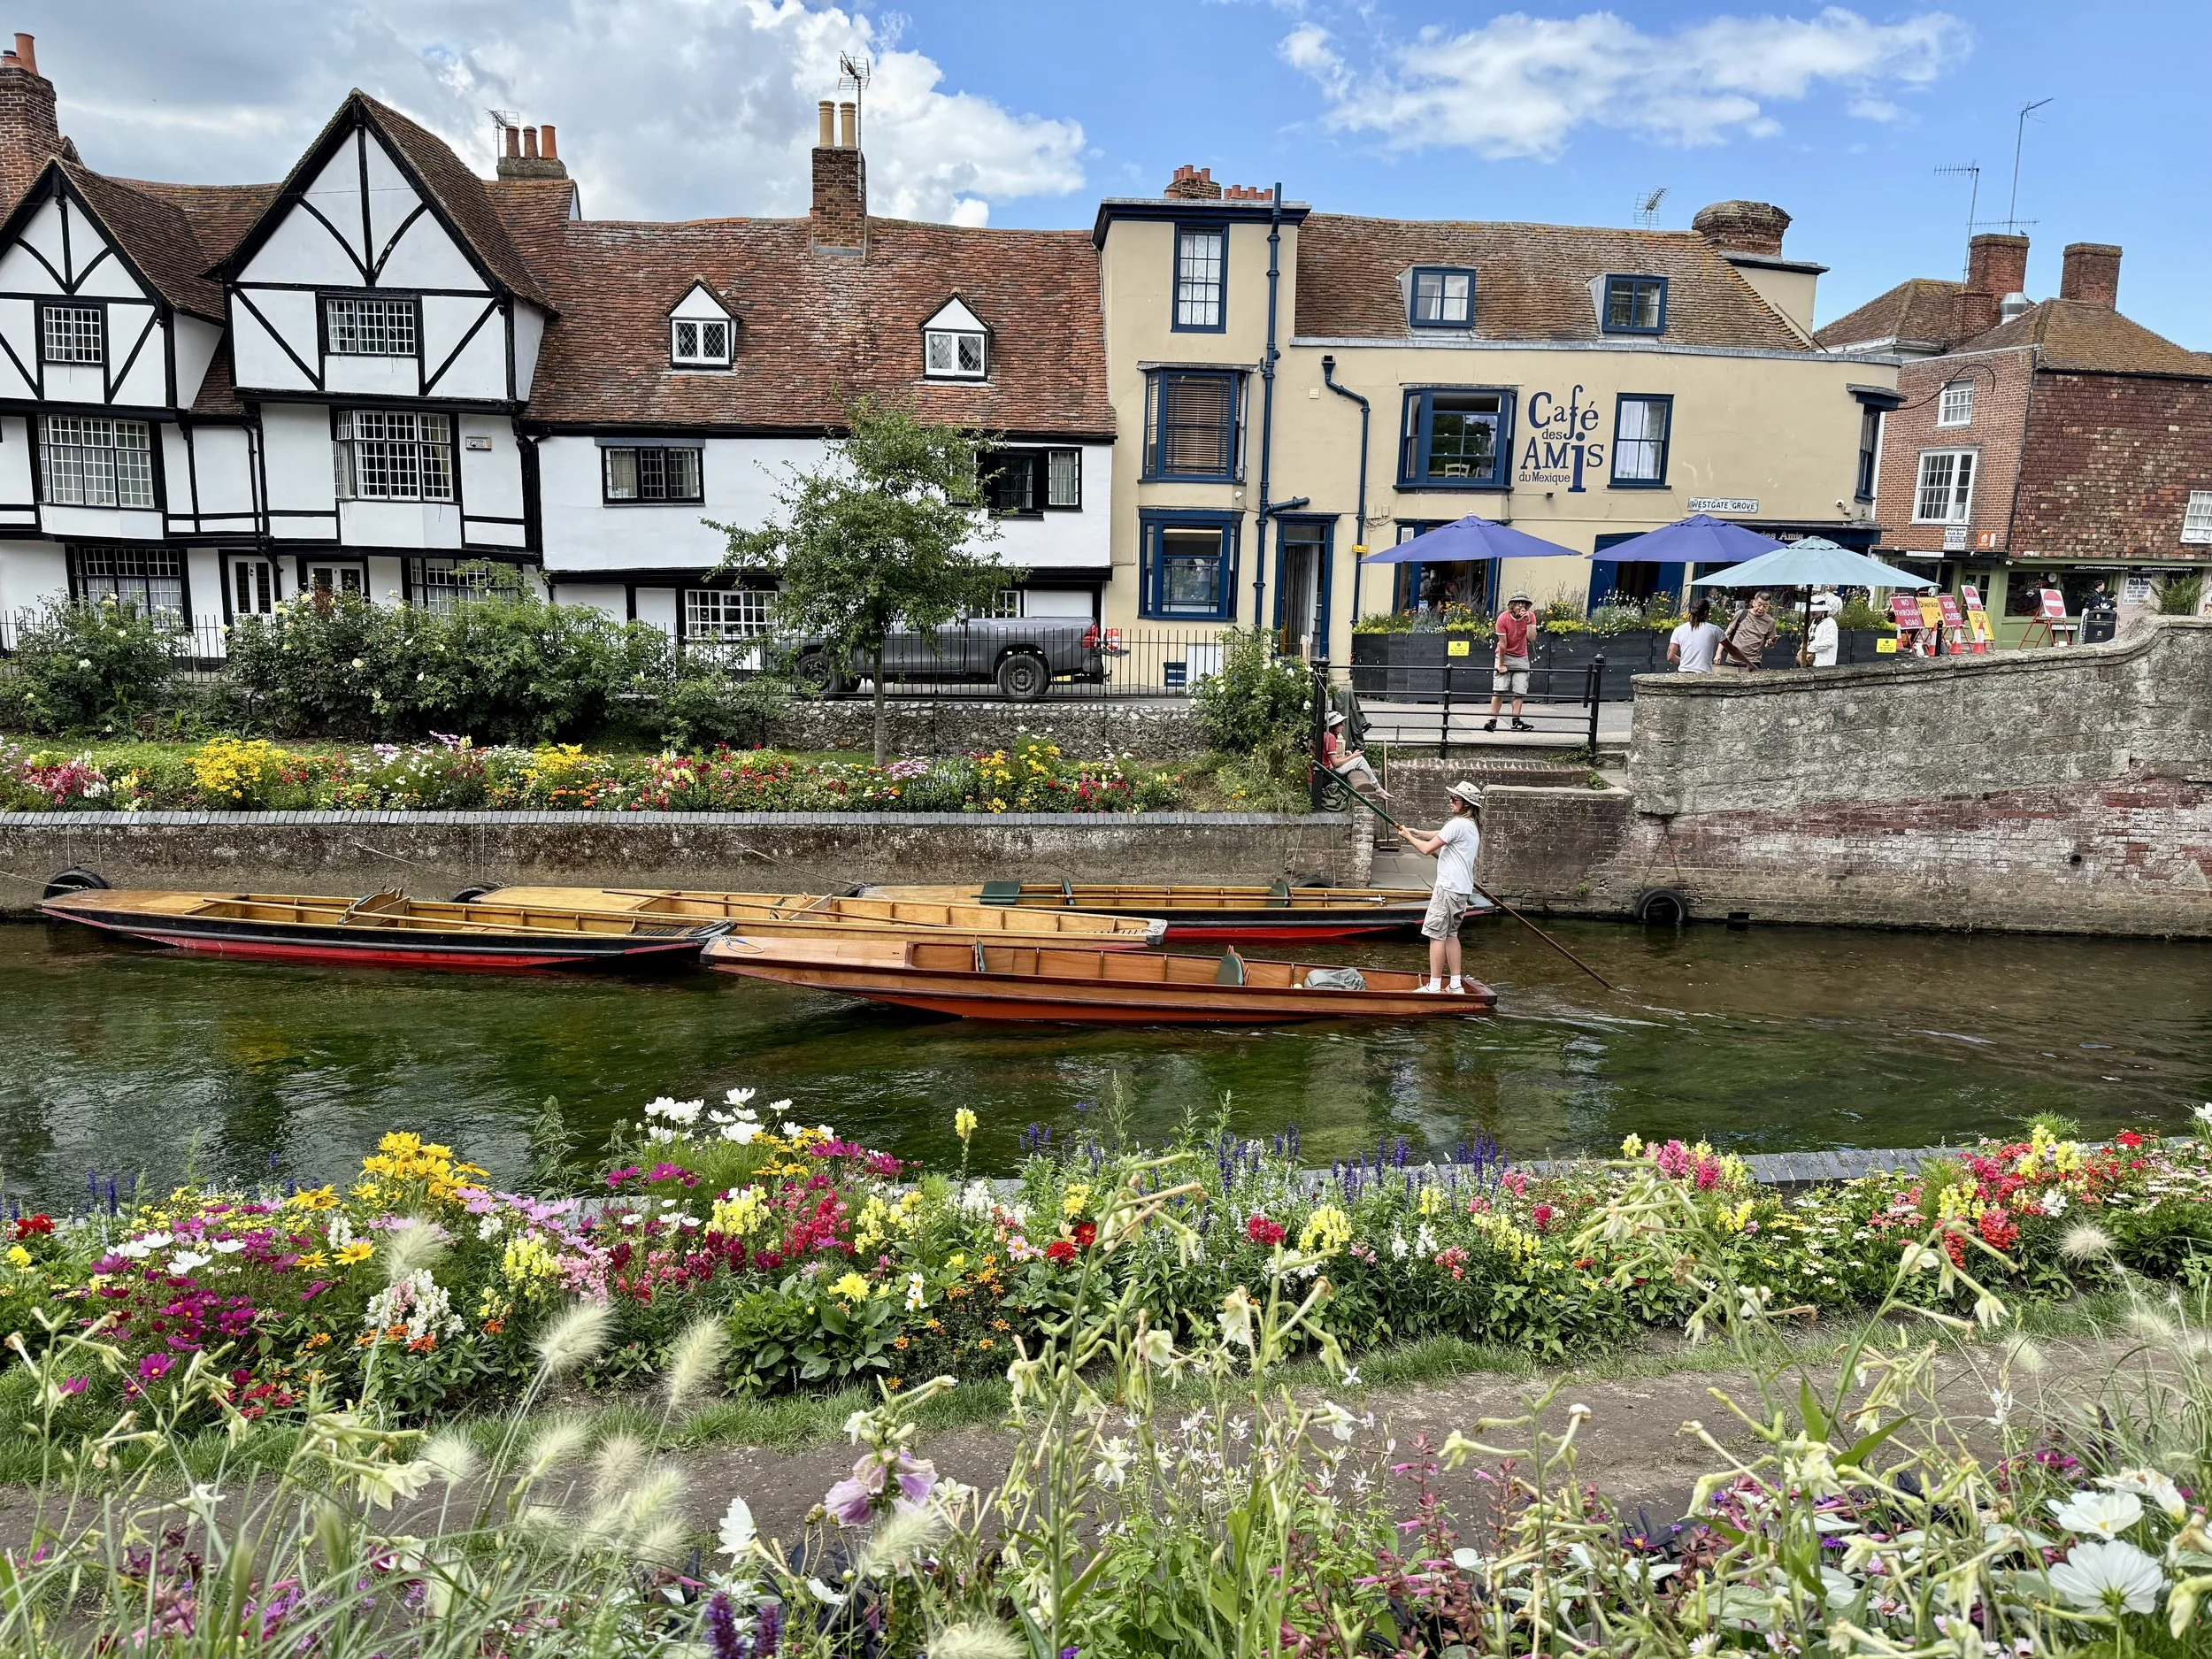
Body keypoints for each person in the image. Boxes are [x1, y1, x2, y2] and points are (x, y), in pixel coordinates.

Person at [1396, 780, 1482, 995]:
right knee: (1451, 934)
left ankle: (1434, 986)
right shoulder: (1471, 826)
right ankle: (1455, 985)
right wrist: (1417, 832)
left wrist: (1407, 837)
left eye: (1455, 799)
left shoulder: (1457, 824)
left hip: (1447, 888)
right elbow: (1439, 835)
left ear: (1467, 804)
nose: (1451, 801)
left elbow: (1426, 850)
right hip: (1462, 890)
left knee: (1436, 935)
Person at [1484, 592, 1536, 732]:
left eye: (1524, 603)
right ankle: (1492, 720)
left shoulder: (1530, 616)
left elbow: (1532, 638)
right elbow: (1502, 644)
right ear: (1512, 605)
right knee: (1499, 689)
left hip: (1521, 656)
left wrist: (1528, 622)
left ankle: (1516, 721)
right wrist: (1501, 664)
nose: (1521, 606)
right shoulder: (1503, 618)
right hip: (1504, 654)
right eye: (1518, 603)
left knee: (1519, 690)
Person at [1320, 710, 1390, 800]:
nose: (1343, 726)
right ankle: (1378, 788)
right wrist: (1354, 756)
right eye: (1340, 724)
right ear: (1333, 726)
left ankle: (1378, 788)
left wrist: (1347, 757)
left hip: (1323, 772)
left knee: (1357, 758)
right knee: (1360, 759)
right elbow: (1335, 763)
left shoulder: (1325, 735)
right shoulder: (1331, 737)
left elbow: (1330, 758)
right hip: (1327, 775)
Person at [1717, 590, 1778, 670]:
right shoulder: (1741, 613)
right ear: (1753, 602)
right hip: (1733, 660)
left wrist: (1770, 644)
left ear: (1769, 606)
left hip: (1753, 662)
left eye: (1765, 606)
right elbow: (1727, 634)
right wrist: (1718, 653)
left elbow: (1768, 644)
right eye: (1759, 604)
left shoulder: (1770, 622)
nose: (1761, 608)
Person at [1668, 600, 1723, 672]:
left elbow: (1670, 657)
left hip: (1683, 673)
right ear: (1706, 612)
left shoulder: (1678, 629)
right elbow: (1732, 649)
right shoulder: (1714, 629)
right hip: (1704, 675)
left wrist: (1686, 663)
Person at [1808, 593, 1841, 667]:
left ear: (1823, 610)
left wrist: (1811, 647)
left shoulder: (1829, 622)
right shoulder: (1814, 622)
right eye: (1812, 610)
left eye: (1817, 610)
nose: (1814, 612)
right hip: (1812, 661)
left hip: (1824, 663)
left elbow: (1830, 642)